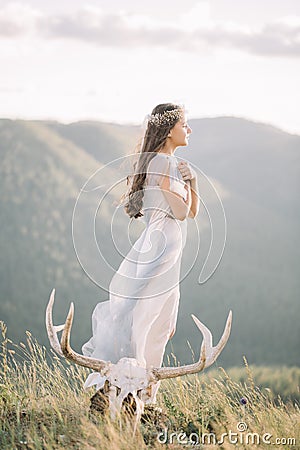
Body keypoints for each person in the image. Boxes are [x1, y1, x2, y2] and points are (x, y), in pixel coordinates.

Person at [82, 103, 199, 403]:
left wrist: (193, 182)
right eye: (184, 124)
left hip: (166, 250)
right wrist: (187, 181)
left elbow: (191, 212)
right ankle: (132, 392)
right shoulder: (164, 163)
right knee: (146, 321)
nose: (189, 130)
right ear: (169, 129)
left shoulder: (167, 162)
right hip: (162, 248)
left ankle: (139, 394)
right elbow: (182, 212)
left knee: (158, 323)